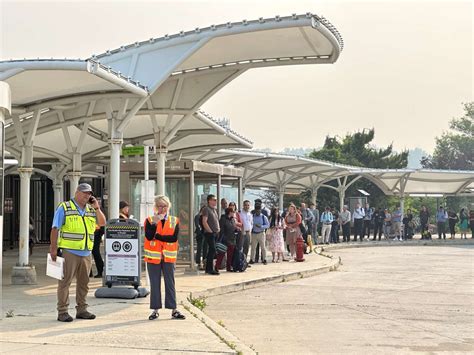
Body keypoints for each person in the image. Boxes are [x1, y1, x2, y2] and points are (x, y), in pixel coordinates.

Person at [49, 183, 106, 322]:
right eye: (84, 193)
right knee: (64, 282)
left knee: (84, 283)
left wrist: (97, 207)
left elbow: (103, 222)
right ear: (77, 192)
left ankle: (82, 309)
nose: (87, 196)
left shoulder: (91, 210)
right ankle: (62, 311)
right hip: (69, 251)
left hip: (86, 252)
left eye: (89, 193)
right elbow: (55, 228)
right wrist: (53, 248)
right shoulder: (65, 207)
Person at [144, 195, 185, 320]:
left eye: (165, 206)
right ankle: (155, 310)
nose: (162, 209)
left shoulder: (174, 220)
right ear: (156, 207)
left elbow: (173, 238)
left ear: (168, 207)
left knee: (170, 283)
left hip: (168, 257)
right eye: (160, 206)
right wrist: (155, 223)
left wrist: (159, 237)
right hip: (153, 257)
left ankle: (173, 309)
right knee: (155, 284)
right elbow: (149, 236)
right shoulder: (150, 220)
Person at [201, 194, 220, 275]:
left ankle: (210, 268)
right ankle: (209, 269)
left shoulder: (214, 210)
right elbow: (204, 221)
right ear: (209, 201)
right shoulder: (206, 209)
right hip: (210, 233)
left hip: (215, 233)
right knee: (212, 249)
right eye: (214, 200)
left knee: (213, 251)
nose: (215, 201)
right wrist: (210, 231)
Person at [216, 207, 238, 272]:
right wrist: (222, 238)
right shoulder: (223, 219)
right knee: (221, 254)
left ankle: (228, 267)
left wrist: (236, 230)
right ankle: (216, 267)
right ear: (230, 212)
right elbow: (221, 229)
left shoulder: (232, 220)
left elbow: (233, 227)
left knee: (230, 255)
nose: (234, 213)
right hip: (225, 239)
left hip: (232, 239)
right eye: (233, 212)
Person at [194, 205, 207, 269]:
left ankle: (204, 261)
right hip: (200, 234)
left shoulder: (205, 216)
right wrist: (200, 231)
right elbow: (197, 225)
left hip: (205, 234)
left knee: (205, 247)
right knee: (199, 248)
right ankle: (198, 261)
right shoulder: (198, 216)